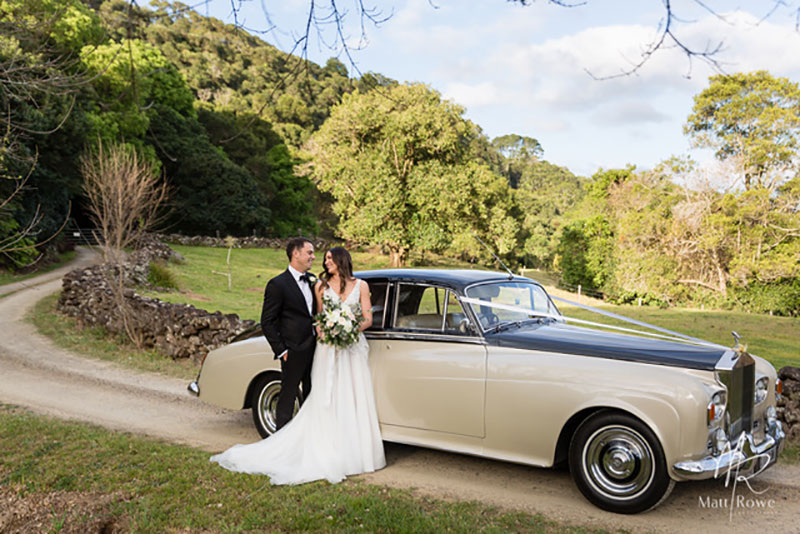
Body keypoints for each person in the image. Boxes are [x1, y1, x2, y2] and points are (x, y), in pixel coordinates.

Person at [210, 246, 386, 485]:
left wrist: (348, 329)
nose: (324, 262)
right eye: (320, 258)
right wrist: (326, 330)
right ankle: (314, 445)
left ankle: (354, 450)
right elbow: (318, 318)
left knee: (353, 395)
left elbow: (367, 318)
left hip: (352, 347)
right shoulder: (320, 286)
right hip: (326, 348)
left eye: (328, 259)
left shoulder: (361, 285)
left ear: (341, 260)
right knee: (324, 395)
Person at [259, 237, 317, 430]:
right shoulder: (278, 284)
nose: (313, 257)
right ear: (296, 253)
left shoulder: (312, 280)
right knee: (288, 396)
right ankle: (281, 438)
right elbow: (267, 321)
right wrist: (282, 350)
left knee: (312, 395)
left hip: (315, 349)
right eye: (309, 252)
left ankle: (308, 436)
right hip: (292, 350)